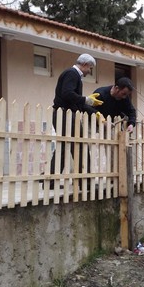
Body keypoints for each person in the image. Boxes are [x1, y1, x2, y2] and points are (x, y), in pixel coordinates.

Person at [43, 53, 104, 189]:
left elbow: (77, 102)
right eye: (90, 68)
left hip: (67, 114)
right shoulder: (72, 74)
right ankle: (85, 181)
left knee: (66, 147)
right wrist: (85, 99)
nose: (90, 71)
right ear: (85, 65)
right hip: (65, 115)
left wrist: (95, 112)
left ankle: (51, 182)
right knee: (77, 146)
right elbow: (67, 93)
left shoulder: (74, 75)